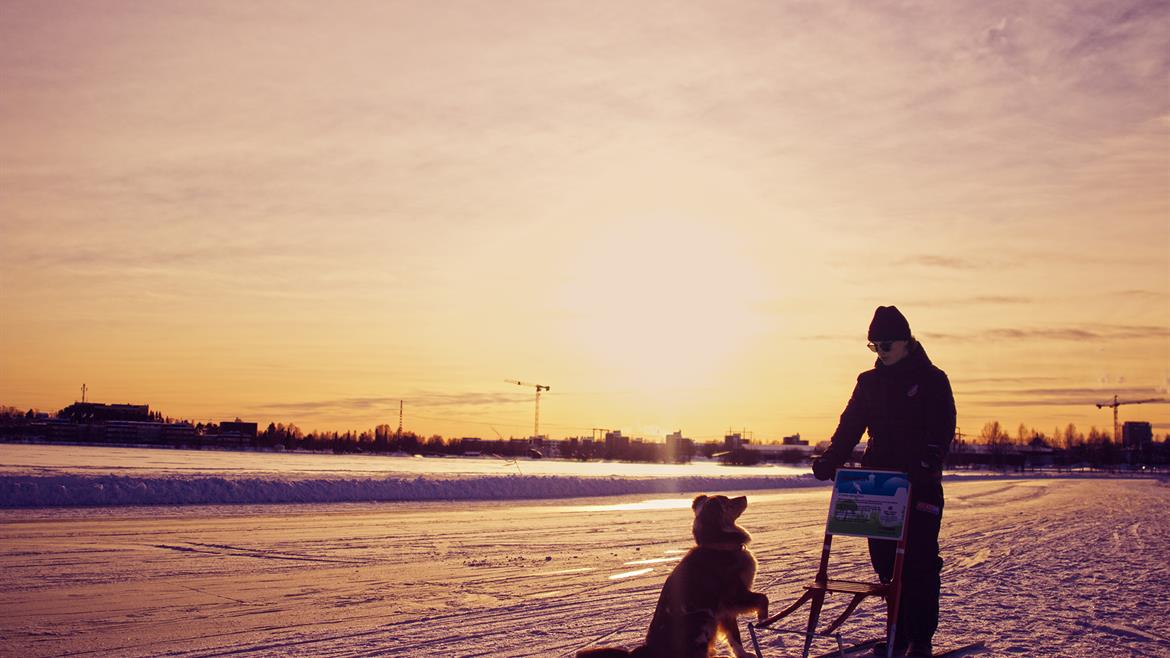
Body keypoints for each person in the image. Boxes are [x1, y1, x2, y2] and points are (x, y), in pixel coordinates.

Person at [811, 306, 956, 657]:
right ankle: (898, 635)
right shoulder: (868, 382)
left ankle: (918, 639)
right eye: (874, 345)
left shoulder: (932, 379)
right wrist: (832, 457)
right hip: (878, 483)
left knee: (919, 561)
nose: (880, 351)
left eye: (886, 344)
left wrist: (929, 458)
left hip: (917, 482)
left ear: (907, 342)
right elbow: (850, 426)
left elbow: (943, 426)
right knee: (886, 564)